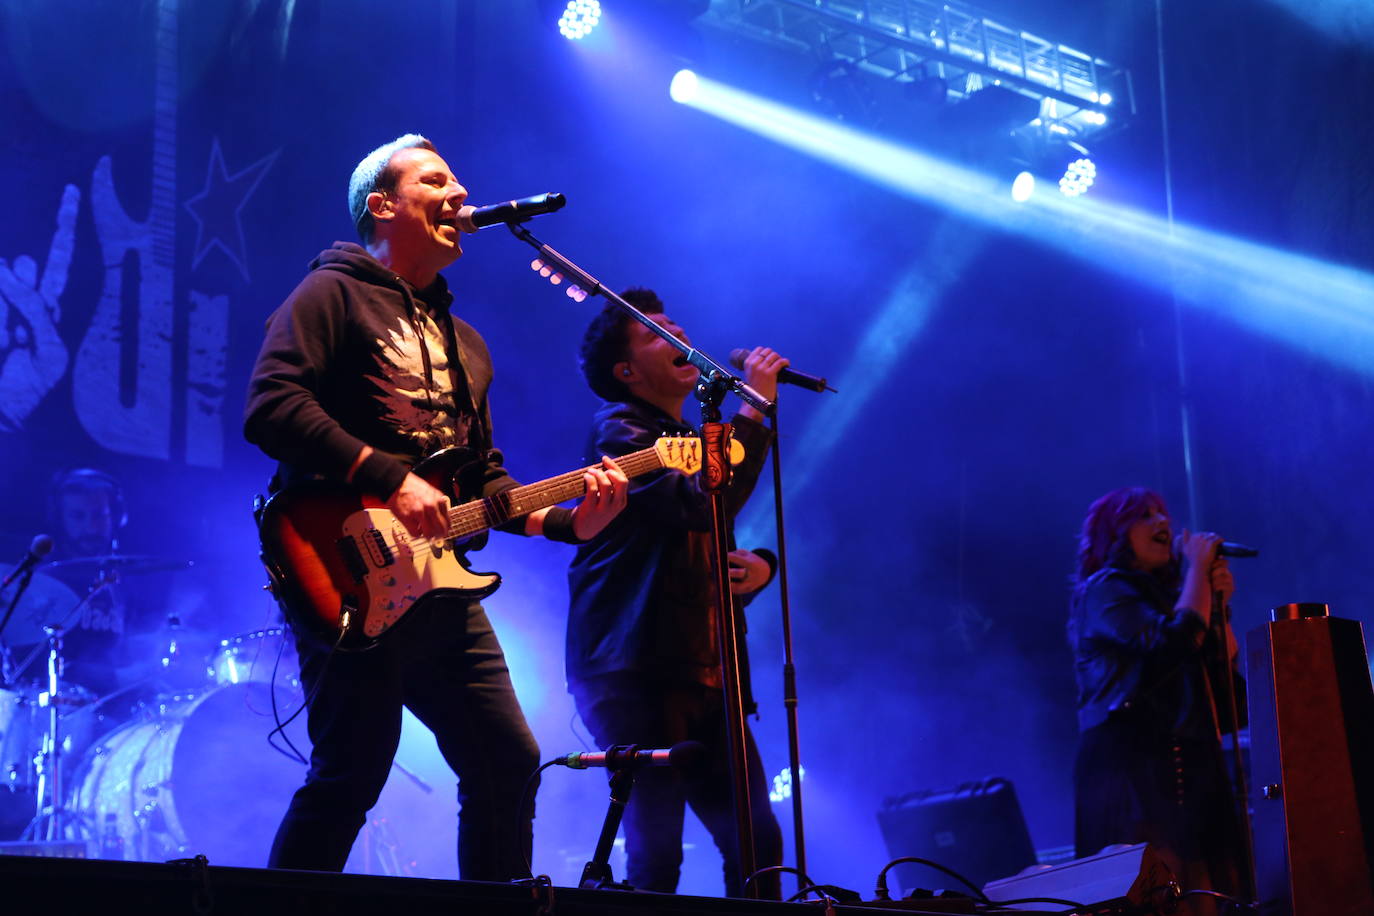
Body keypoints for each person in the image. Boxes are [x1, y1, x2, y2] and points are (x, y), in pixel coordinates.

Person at [243, 134, 628, 879]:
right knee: (351, 771)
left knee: (508, 761)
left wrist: (567, 521)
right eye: (435, 180)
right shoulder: (330, 293)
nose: (459, 193)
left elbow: (483, 480)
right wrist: (389, 478)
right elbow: (270, 406)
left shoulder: (467, 345)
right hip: (346, 568)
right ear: (382, 206)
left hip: (439, 587)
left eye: (458, 180)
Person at [566, 288, 786, 899]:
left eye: (675, 323)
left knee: (757, 842)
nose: (678, 332)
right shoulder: (621, 431)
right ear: (627, 371)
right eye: (654, 331)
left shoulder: (691, 436)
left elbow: (709, 530)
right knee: (656, 846)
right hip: (635, 664)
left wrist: (761, 567)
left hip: (708, 666)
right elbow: (699, 506)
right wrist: (753, 410)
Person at [1067, 486, 1246, 906]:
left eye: (1163, 514)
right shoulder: (1106, 589)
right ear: (1115, 534)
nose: (1163, 522)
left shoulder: (1179, 599)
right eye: (1144, 516)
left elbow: (1225, 681)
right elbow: (1169, 644)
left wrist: (1218, 606)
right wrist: (1198, 572)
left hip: (1190, 761)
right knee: (1151, 888)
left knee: (1205, 888)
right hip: (1131, 766)